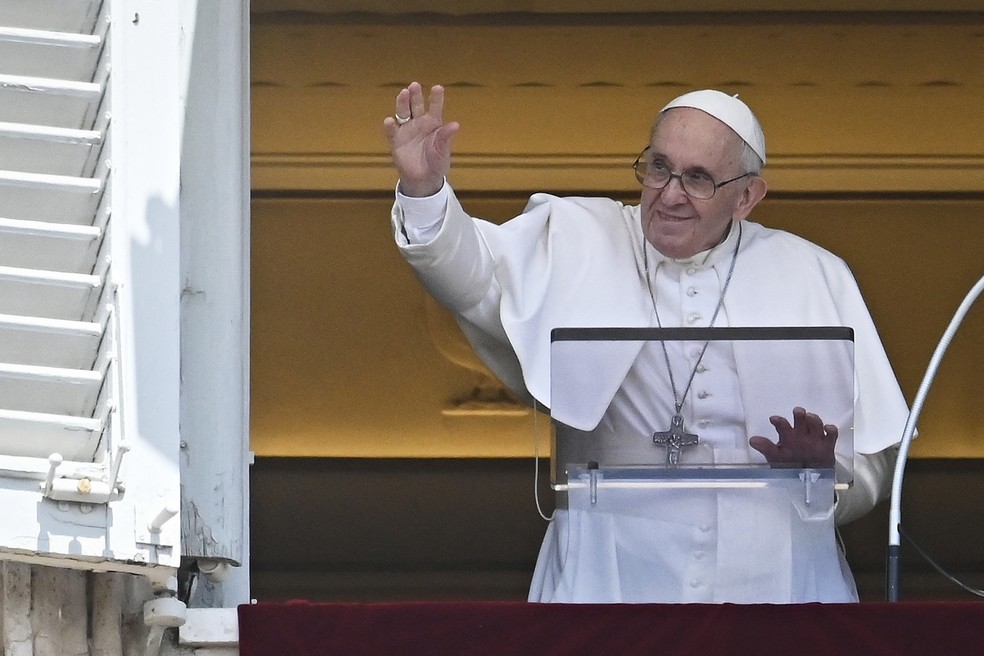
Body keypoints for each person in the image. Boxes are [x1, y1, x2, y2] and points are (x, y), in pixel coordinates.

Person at [383, 82, 909, 603]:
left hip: (777, 571)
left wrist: (822, 472)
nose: (671, 193)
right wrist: (425, 191)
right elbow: (473, 279)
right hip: (610, 564)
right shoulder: (579, 235)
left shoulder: (812, 273)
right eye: (660, 167)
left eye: (699, 178)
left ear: (747, 196)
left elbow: (871, 464)